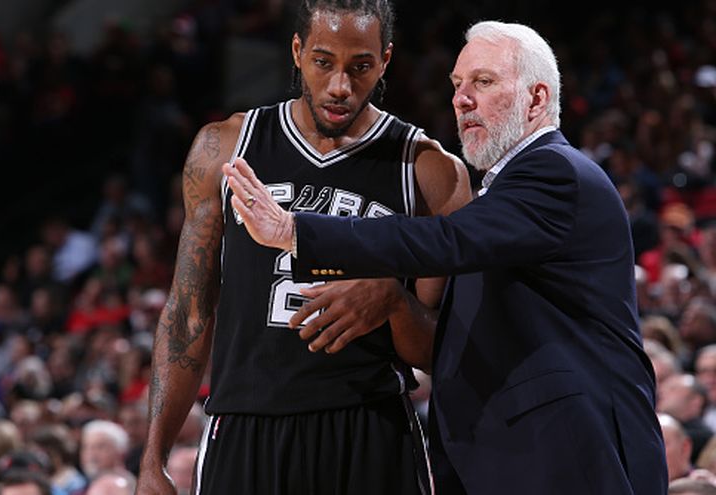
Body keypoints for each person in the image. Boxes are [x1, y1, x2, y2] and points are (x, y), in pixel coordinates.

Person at [225, 20, 668, 494]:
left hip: (569, 452)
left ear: (537, 98)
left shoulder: (555, 173)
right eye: (457, 84)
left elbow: (444, 240)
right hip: (513, 455)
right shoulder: (504, 192)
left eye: (483, 81)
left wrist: (296, 231)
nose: (461, 99)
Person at [136, 1, 470, 494]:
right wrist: (153, 459)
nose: (340, 86)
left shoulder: (430, 172)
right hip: (244, 426)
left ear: (385, 60)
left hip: (370, 428)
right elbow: (189, 312)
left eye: (360, 66)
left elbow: (448, 352)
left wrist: (395, 304)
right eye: (323, 62)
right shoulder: (225, 146)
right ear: (297, 52)